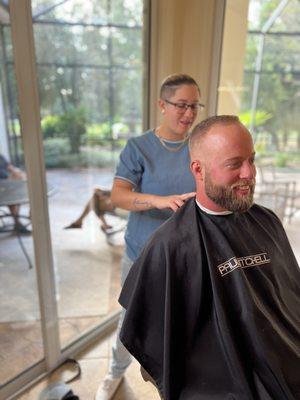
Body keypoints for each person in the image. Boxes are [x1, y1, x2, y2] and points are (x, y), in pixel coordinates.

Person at [118, 115, 300, 400]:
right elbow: (156, 346)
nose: (249, 173)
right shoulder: (169, 246)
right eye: (234, 164)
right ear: (198, 170)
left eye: (252, 160)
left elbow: (290, 297)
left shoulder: (267, 222)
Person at [95, 73, 204, 400]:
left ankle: (170, 380)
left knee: (179, 324)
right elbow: (118, 196)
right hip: (141, 255)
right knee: (130, 323)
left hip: (187, 255)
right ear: (162, 105)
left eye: (195, 106)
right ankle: (114, 374)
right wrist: (159, 201)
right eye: (182, 105)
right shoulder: (138, 148)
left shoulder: (200, 145)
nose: (189, 114)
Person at [0, 154, 31, 234]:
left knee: (21, 179)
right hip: (3, 188)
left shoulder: (1, 157)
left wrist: (17, 174)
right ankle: (17, 222)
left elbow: (10, 167)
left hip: (6, 186)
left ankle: (29, 214)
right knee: (11, 197)